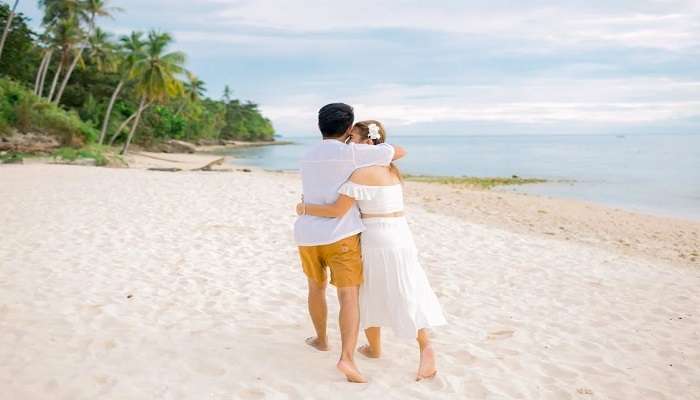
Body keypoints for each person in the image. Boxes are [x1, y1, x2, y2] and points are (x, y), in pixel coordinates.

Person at [297, 120, 446, 381]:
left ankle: (382, 348)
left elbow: (335, 211)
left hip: (376, 237)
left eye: (353, 138)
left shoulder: (361, 174)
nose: (349, 143)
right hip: (401, 235)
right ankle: (415, 346)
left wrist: (304, 209)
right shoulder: (392, 171)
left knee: (367, 293)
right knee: (408, 288)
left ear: (368, 142)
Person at [294, 105, 407, 383]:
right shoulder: (353, 152)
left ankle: (321, 339)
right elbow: (398, 151)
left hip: (307, 234)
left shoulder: (306, 154)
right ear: (348, 129)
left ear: (320, 126)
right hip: (341, 236)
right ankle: (347, 358)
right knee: (348, 296)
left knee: (315, 288)